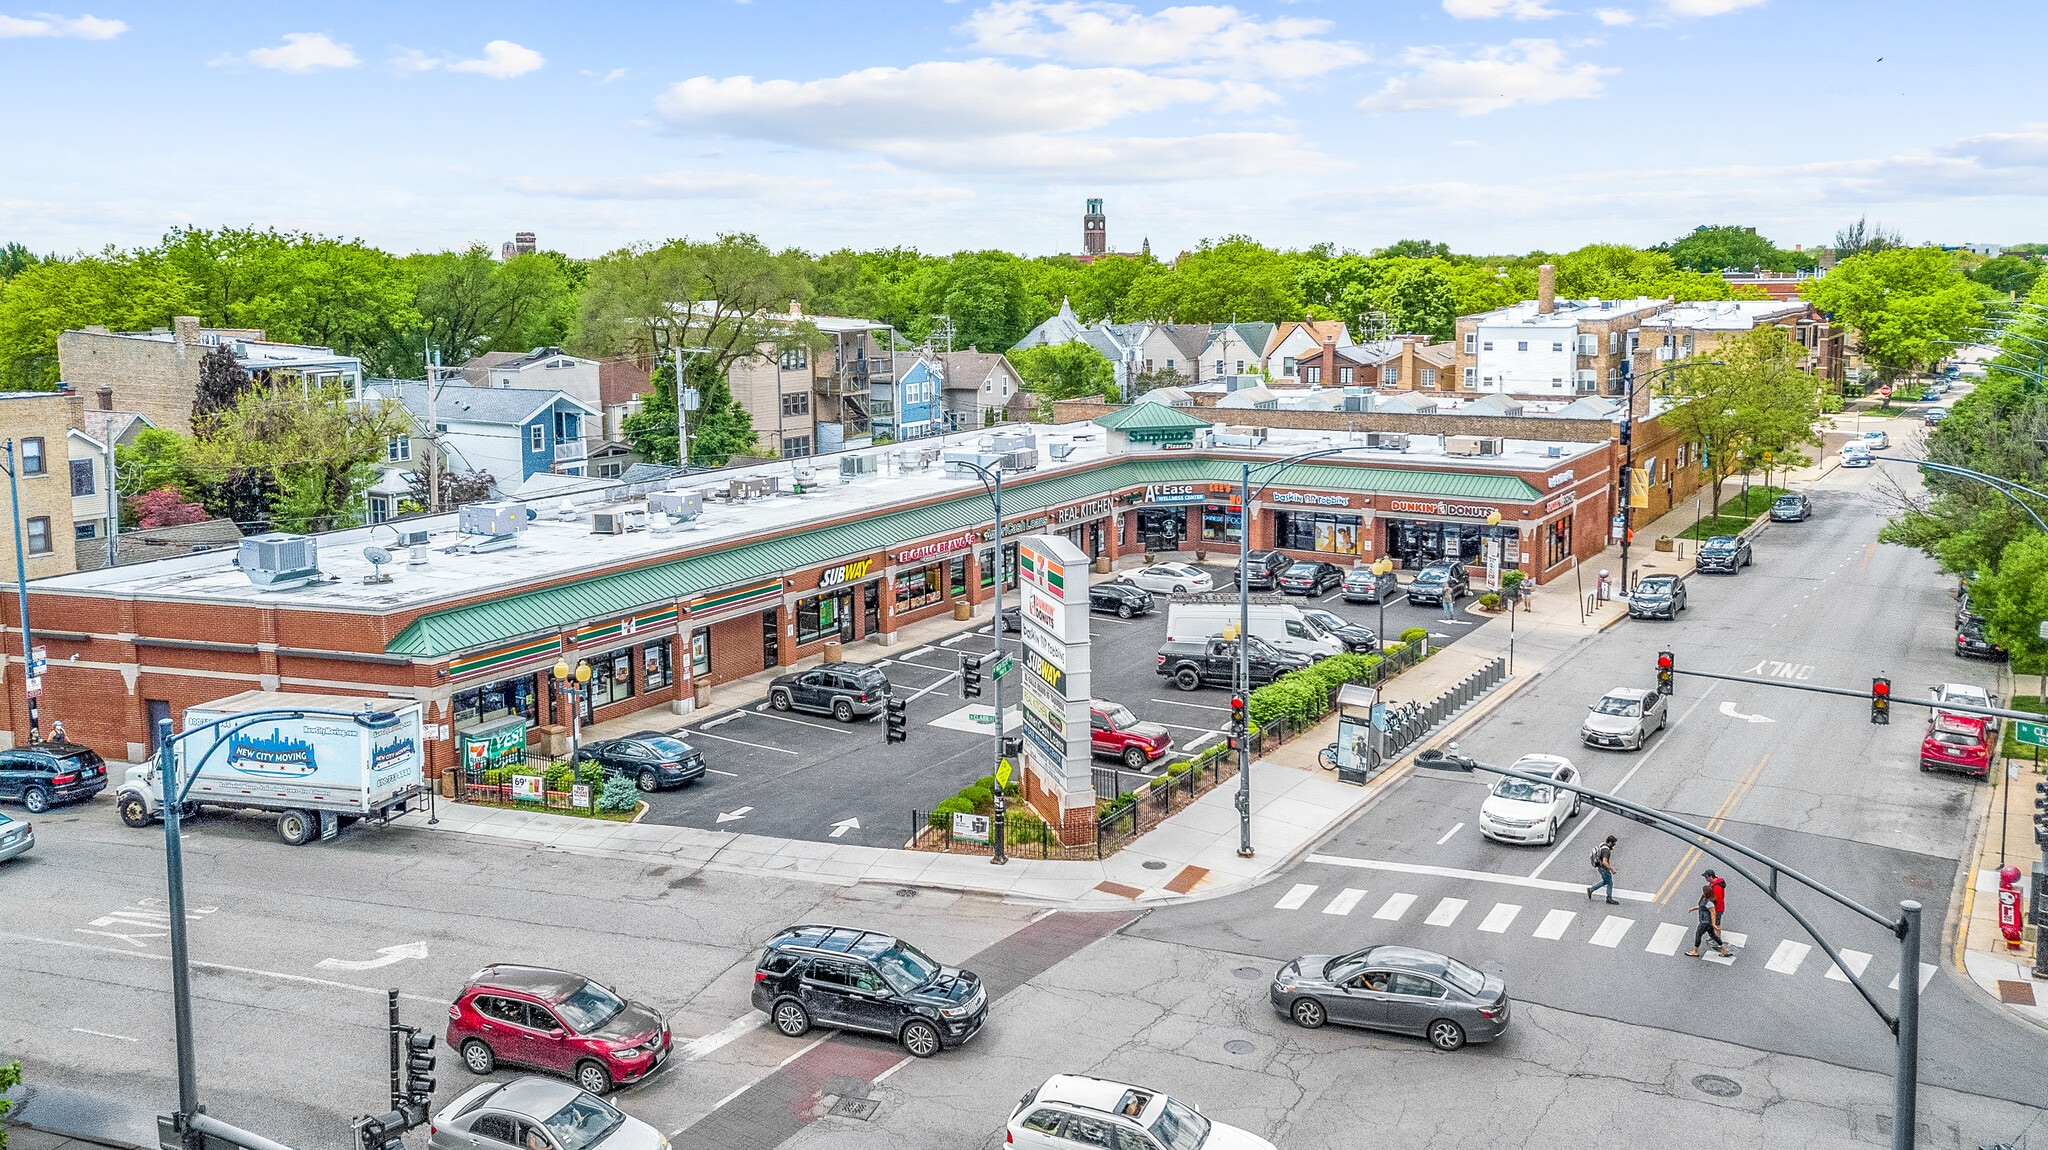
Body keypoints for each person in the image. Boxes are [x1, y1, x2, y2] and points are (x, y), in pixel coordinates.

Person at [1687, 878, 1732, 958]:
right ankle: (1724, 949)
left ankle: (1695, 951)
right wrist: (1694, 908)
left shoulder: (1709, 902)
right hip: (1706, 922)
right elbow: (1702, 907)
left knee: (1698, 935)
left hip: (1705, 922)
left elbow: (1713, 913)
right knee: (1713, 935)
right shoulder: (1705, 899)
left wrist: (1714, 924)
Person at [1587, 835, 1619, 904]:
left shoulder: (1603, 844)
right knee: (1609, 883)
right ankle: (1609, 899)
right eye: (1613, 843)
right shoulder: (1606, 851)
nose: (1613, 845)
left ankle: (1591, 890)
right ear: (1610, 842)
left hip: (1600, 867)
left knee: (1606, 881)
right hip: (1604, 869)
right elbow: (1605, 862)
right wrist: (1612, 869)